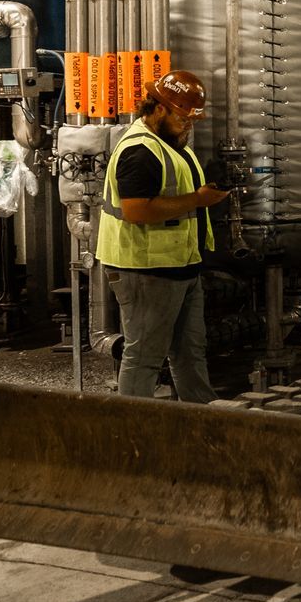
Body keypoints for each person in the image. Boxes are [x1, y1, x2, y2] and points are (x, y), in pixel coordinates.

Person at [96, 71, 230, 401]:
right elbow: (136, 211)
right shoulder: (140, 151)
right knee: (144, 359)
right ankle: (136, 435)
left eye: (192, 119)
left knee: (189, 354)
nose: (188, 125)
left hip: (180, 266)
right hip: (146, 270)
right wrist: (199, 200)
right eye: (182, 117)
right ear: (158, 109)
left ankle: (199, 422)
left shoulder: (169, 144)